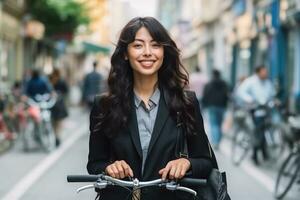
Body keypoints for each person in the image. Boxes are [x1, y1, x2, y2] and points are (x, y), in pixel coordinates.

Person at [87, 17, 217, 200]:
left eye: (155, 45)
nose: (147, 52)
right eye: (138, 46)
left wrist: (187, 163)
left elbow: (206, 162)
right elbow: (94, 164)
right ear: (125, 53)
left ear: (164, 52)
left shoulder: (186, 102)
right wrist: (109, 168)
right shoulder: (104, 105)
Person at [236, 65, 276, 165]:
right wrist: (250, 100)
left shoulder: (267, 82)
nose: (265, 74)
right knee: (257, 133)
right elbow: (241, 91)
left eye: (266, 72)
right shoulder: (250, 81)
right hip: (254, 110)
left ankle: (263, 152)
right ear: (258, 72)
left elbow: (272, 94)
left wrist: (272, 102)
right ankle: (255, 154)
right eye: (263, 72)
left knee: (264, 132)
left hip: (265, 110)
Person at [202, 69, 229, 150]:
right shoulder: (224, 84)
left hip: (212, 106)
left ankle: (215, 141)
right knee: (219, 124)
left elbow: (205, 95)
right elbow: (227, 95)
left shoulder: (209, 84)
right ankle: (218, 140)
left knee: (214, 124)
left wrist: (204, 105)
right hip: (222, 106)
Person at [49, 68, 69, 147]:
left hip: (54, 104)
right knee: (57, 122)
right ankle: (57, 136)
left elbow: (66, 91)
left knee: (56, 122)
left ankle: (56, 136)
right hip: (57, 104)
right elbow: (66, 91)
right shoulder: (59, 81)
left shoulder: (53, 81)